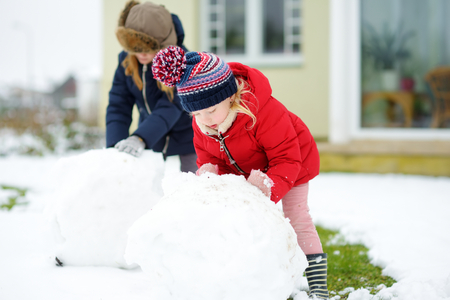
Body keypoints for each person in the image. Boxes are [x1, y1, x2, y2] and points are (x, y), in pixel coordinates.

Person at [152, 46, 330, 299]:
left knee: (296, 217)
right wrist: (212, 175)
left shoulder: (264, 112)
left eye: (211, 110)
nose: (204, 118)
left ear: (229, 96)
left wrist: (266, 187)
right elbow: (210, 157)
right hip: (247, 167)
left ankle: (318, 287)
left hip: (294, 162)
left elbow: (287, 159)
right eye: (196, 113)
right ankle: (253, 274)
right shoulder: (203, 123)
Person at [106, 1, 197, 173]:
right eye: (135, 48)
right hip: (152, 133)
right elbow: (119, 105)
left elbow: (170, 105)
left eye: (148, 48)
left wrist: (141, 138)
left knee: (192, 184)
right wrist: (115, 143)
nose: (141, 53)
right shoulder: (126, 62)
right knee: (148, 186)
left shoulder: (182, 62)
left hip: (188, 135)